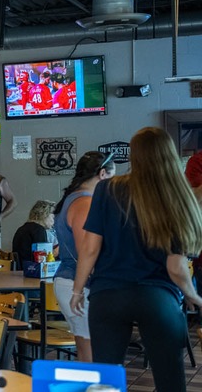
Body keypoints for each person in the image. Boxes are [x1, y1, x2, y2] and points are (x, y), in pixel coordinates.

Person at [71, 127, 202, 392]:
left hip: (107, 296)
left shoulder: (107, 189)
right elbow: (175, 267)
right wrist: (194, 296)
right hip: (158, 298)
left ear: (134, 155)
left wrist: (77, 289)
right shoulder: (176, 194)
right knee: (171, 381)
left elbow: (90, 248)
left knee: (106, 382)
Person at [51, 150, 115, 363]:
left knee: (88, 350)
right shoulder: (85, 203)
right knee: (91, 353)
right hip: (77, 283)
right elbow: (86, 250)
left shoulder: (73, 198)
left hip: (71, 281)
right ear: (103, 174)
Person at [11, 200, 57, 267]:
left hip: (20, 271)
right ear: (45, 214)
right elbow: (42, 259)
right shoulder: (39, 230)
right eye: (53, 216)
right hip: (32, 271)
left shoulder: (22, 228)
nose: (54, 219)